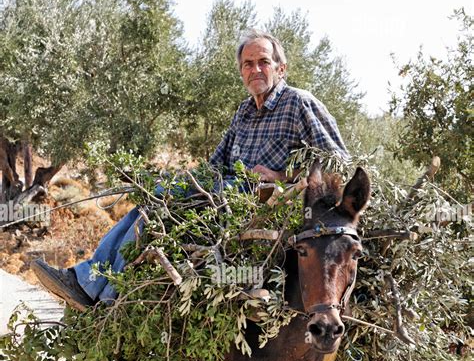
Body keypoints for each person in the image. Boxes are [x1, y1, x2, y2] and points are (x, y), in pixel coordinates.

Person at [33, 29, 349, 310]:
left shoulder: (299, 104)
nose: (255, 69)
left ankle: (105, 292)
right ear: (240, 72)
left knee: (168, 208)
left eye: (263, 62)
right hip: (222, 195)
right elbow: (215, 164)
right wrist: (181, 184)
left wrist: (282, 177)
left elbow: (337, 162)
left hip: (260, 206)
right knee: (155, 200)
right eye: (247, 64)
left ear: (281, 68)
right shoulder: (244, 111)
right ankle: (90, 282)